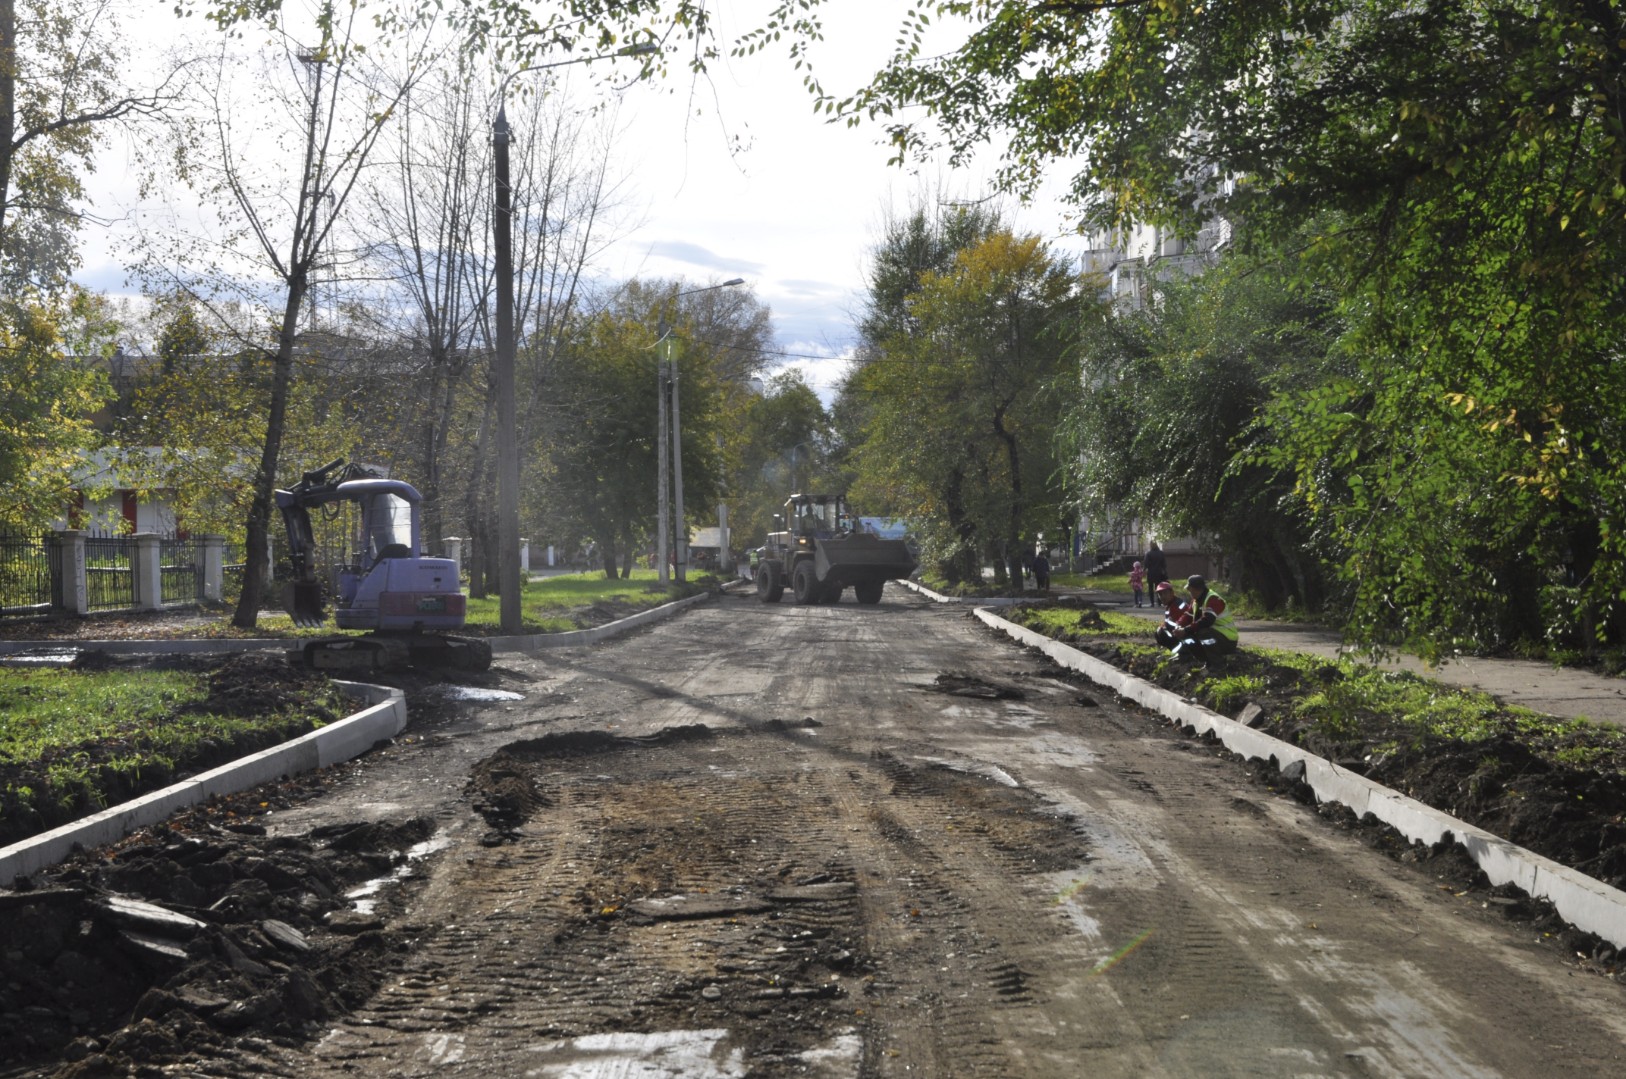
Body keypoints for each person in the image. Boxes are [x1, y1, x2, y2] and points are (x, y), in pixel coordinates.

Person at [1172, 573, 1239, 665]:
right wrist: (1178, 626)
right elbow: (1187, 615)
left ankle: (1217, 664)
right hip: (1216, 637)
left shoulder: (1213, 599)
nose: (1188, 591)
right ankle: (1203, 660)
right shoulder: (1196, 601)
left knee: (1203, 633)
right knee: (1189, 635)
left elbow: (1207, 621)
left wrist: (1186, 629)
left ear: (1195, 589)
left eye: (1189, 589)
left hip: (1227, 640)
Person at [1153, 581, 1192, 649]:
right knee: (1160, 632)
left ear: (1172, 593)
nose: (1162, 596)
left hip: (1187, 633)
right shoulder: (1170, 604)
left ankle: (1183, 653)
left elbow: (1174, 623)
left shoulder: (1176, 605)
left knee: (1162, 633)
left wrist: (1163, 627)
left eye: (1165, 593)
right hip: (1182, 632)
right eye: (1160, 594)